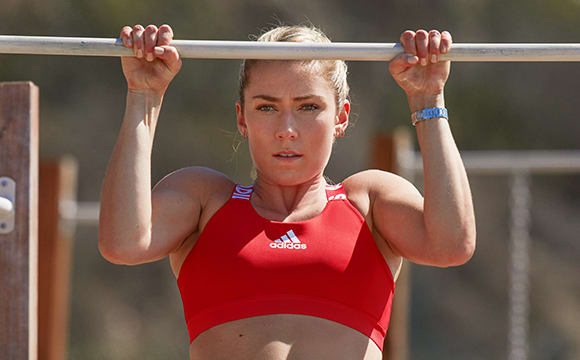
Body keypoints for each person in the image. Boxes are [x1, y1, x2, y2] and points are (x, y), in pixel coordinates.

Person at [98, 23, 476, 360]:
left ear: (340, 117)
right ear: (242, 118)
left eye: (308, 106)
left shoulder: (368, 201)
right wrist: (143, 97)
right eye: (266, 107)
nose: (287, 129)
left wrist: (428, 100)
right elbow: (123, 243)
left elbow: (452, 245)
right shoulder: (205, 199)